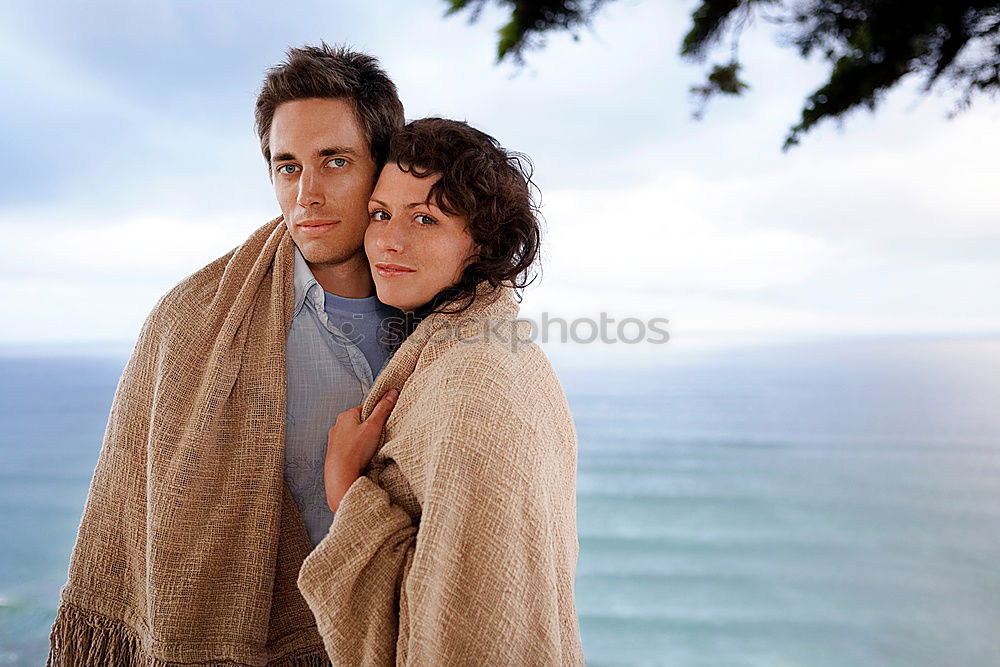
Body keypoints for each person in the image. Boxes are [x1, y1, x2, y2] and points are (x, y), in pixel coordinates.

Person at [46, 43, 403, 665]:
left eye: (335, 161)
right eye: (287, 166)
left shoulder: (445, 325)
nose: (306, 194)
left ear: (383, 167)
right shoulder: (187, 323)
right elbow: (131, 516)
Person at [295, 118, 586, 665]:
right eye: (379, 214)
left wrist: (344, 490)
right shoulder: (507, 349)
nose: (388, 240)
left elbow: (461, 628)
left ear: (482, 242)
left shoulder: (469, 382)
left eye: (424, 218)